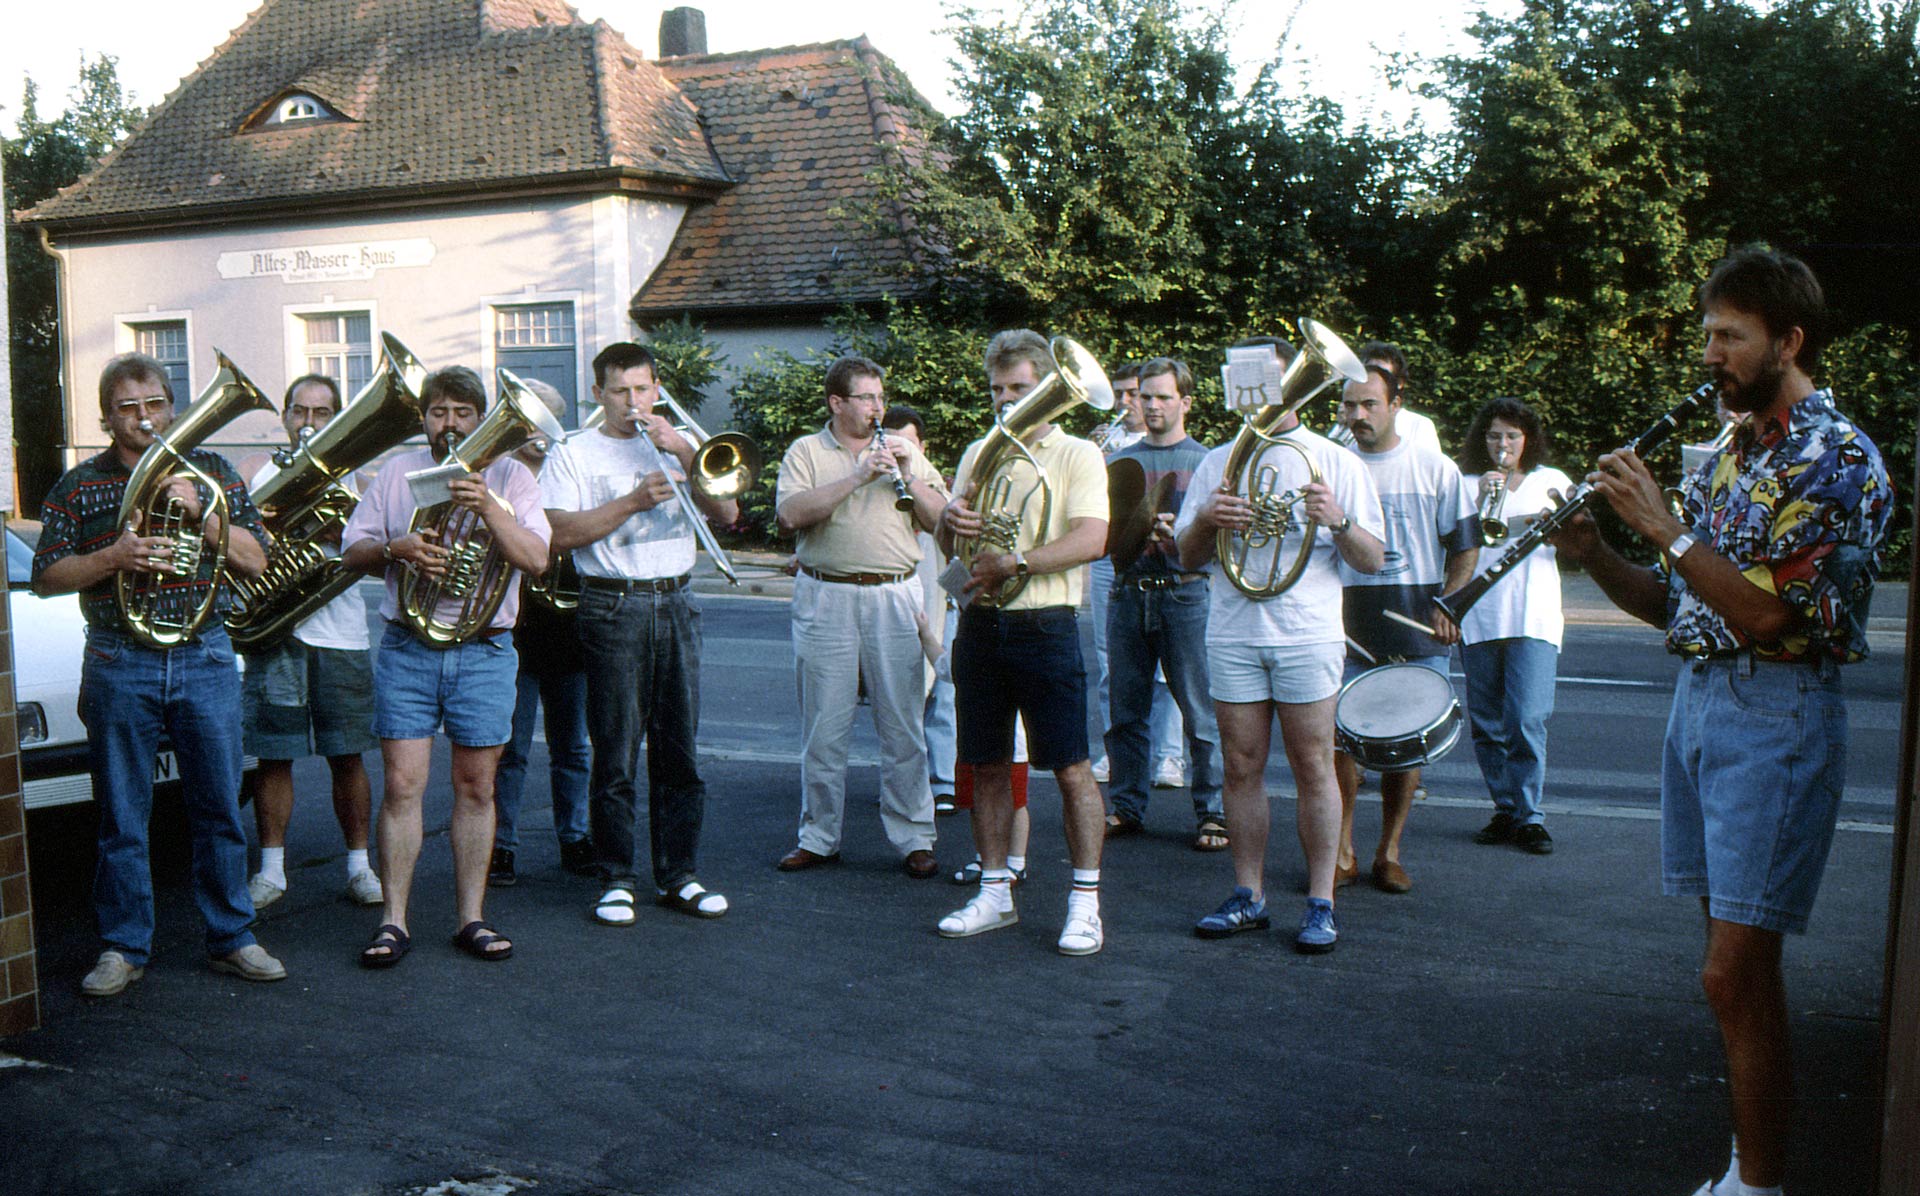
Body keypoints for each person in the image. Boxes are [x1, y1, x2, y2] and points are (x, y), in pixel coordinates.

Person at [1552, 248, 1890, 1196]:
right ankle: (1749, 1170)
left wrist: (1665, 526)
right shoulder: (1736, 446)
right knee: (1731, 973)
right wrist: (1599, 552)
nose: (1711, 355)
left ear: (1789, 340)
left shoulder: (1839, 458)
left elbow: (1770, 616)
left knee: (1732, 974)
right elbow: (1681, 606)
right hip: (1702, 701)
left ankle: (1760, 1184)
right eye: (1708, 334)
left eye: (1730, 337)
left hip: (1775, 710)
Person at [33, 352, 286, 994]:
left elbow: (256, 561)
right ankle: (123, 946)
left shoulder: (215, 473)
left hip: (202, 654)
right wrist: (115, 555)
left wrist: (202, 515)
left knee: (218, 808)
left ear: (172, 409)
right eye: (128, 409)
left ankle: (232, 937)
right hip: (121, 657)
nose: (144, 419)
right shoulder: (81, 485)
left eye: (154, 406)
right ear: (106, 418)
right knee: (123, 814)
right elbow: (46, 577)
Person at [1175, 335, 1385, 954]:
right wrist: (1210, 520)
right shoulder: (1219, 460)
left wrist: (1338, 521)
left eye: (1266, 378)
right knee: (1239, 767)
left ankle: (1322, 900)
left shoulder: (1333, 459)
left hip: (1307, 633)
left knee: (1314, 766)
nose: (1253, 392)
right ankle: (1250, 895)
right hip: (1235, 631)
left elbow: (1371, 559)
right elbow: (1187, 560)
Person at [341, 365, 551, 966]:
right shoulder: (397, 474)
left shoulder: (513, 476)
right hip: (409, 647)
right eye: (438, 412)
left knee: (477, 786)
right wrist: (395, 549)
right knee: (403, 786)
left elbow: (536, 558)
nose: (449, 424)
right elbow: (352, 553)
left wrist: (490, 507)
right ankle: (393, 921)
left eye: (462, 412)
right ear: (425, 418)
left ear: (482, 418)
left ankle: (472, 918)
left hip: (484, 649)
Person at [542, 342, 735, 926]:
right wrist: (630, 500)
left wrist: (684, 449)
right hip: (612, 604)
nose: (633, 402)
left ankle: (680, 874)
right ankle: (617, 876)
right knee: (616, 748)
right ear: (598, 393)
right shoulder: (572, 451)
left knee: (680, 749)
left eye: (643, 389)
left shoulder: (681, 443)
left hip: (677, 599)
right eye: (620, 391)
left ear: (657, 390)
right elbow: (558, 533)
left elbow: (727, 517)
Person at [937, 329, 1110, 956]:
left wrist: (1017, 561)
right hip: (980, 625)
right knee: (985, 764)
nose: (1007, 402)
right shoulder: (979, 452)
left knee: (1070, 769)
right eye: (997, 390)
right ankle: (994, 891)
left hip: (1044, 625)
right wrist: (946, 522)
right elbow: (952, 553)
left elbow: (1092, 539)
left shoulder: (1076, 454)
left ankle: (1085, 902)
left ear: (1045, 388)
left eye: (1019, 389)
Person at [774, 356, 948, 878]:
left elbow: (943, 522)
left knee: (903, 725)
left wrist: (910, 472)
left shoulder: (904, 449)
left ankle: (914, 836)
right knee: (824, 727)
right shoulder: (806, 450)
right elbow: (789, 516)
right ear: (837, 403)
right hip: (826, 594)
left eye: (880, 396)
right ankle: (819, 836)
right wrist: (856, 476)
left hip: (893, 594)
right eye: (867, 399)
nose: (879, 408)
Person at [1331, 363, 1478, 893]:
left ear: (1397, 406)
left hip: (1417, 621)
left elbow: (1465, 546)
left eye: (1370, 404)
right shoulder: (1333, 466)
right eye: (1350, 405)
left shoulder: (1434, 468)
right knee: (1340, 743)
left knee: (1404, 744)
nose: (1358, 415)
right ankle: (1341, 849)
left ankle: (1388, 852)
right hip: (1344, 621)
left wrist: (1452, 604)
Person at [241, 374, 382, 911]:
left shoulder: (358, 482)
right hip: (278, 634)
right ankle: (272, 871)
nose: (308, 423)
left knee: (347, 755)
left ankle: (360, 867)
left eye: (322, 414)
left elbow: (376, 550)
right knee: (274, 757)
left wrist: (343, 533)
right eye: (299, 411)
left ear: (338, 419)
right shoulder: (258, 476)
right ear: (283, 415)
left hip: (340, 635)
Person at [1098, 357, 1225, 850]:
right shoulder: (1116, 460)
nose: (1150, 405)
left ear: (1185, 402)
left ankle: (1212, 812)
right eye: (1143, 396)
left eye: (1162, 397)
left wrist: (1185, 535)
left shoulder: (1207, 461)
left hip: (1187, 592)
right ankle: (1127, 806)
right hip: (1128, 592)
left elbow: (1222, 542)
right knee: (1125, 709)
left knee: (1199, 711)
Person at [487, 378, 594, 887]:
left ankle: (574, 838)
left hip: (569, 630)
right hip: (516, 628)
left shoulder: (567, 470)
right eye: (527, 421)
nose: (536, 432)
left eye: (547, 420)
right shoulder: (499, 476)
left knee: (573, 746)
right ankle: (501, 846)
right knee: (511, 749)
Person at [1457, 396, 1574, 856]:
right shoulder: (1465, 482)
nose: (1502, 445)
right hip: (1480, 613)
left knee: (1525, 717)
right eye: (1493, 436)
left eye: (1511, 436)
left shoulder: (1551, 482)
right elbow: (1448, 540)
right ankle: (1504, 808)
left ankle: (1530, 815)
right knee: (1487, 722)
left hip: (1533, 613)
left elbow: (1578, 534)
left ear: (1528, 439)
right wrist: (1480, 498)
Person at [1088, 361, 1186, 788]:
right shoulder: (1112, 452)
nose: (1137, 404)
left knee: (1174, 680)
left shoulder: (1187, 453)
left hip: (1173, 575)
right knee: (1116, 673)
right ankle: (1122, 768)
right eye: (1133, 396)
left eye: (1147, 395)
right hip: (1119, 571)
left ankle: (1171, 759)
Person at [884, 405, 959, 816]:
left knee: (943, 688)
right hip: (896, 588)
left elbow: (949, 532)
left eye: (907, 443)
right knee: (900, 691)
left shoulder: (928, 478)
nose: (898, 450)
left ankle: (944, 780)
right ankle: (906, 784)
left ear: (921, 446)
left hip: (936, 587)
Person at [1326, 341, 1445, 457]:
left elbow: (1426, 469)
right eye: (1369, 373)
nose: (1374, 379)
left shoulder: (1418, 425)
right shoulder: (1352, 417)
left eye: (1384, 375)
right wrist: (1341, 427)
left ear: (1399, 383)